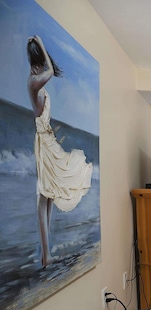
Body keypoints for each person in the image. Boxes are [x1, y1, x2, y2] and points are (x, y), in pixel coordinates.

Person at [27, 35, 93, 267]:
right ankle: (46, 255)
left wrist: (41, 52)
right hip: (43, 144)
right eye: (36, 60)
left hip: (48, 140)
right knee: (44, 194)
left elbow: (50, 70)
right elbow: (50, 72)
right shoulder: (34, 81)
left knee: (49, 195)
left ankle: (46, 254)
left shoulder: (37, 79)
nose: (38, 65)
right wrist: (43, 46)